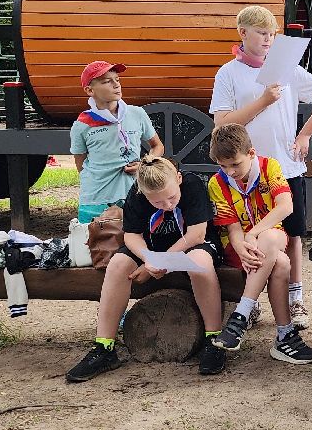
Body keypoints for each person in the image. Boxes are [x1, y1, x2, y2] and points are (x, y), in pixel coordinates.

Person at [210, 5, 312, 333]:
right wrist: (263, 101)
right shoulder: (229, 73)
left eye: (272, 34)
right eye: (262, 33)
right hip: (246, 169)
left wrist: (306, 133)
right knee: (243, 233)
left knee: (292, 234)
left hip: (285, 165)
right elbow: (222, 124)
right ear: (243, 33)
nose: (268, 39)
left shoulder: (286, 68)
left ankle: (295, 298)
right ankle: (246, 300)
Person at [65, 156, 227, 382]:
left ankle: (214, 339)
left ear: (178, 179)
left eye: (171, 198)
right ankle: (104, 346)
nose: (168, 205)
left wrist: (162, 260)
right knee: (118, 265)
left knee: (200, 263)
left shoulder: (192, 185)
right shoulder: (137, 194)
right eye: (158, 203)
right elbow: (131, 235)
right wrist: (147, 258)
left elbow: (196, 234)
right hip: (152, 247)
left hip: (191, 245)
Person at [206, 123, 312, 364]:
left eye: (235, 164)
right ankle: (285, 336)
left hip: (269, 237)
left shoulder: (270, 167)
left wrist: (253, 233)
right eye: (223, 166)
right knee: (281, 263)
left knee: (268, 238)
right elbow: (233, 230)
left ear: (251, 153)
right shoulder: (217, 183)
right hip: (242, 250)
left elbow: (286, 207)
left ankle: (240, 317)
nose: (230, 172)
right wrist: (242, 245)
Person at [69, 59, 162, 224]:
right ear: (89, 90)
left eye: (117, 80)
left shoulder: (137, 113)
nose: (116, 85)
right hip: (96, 198)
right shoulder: (82, 124)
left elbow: (157, 146)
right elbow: (80, 164)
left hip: (134, 193)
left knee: (135, 241)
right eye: (107, 81)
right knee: (94, 243)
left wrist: (146, 163)